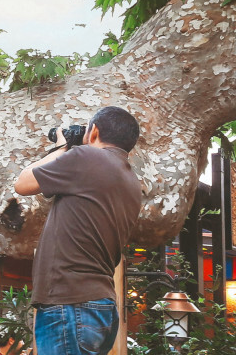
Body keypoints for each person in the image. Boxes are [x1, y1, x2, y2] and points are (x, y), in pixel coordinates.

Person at [14, 106, 142, 355]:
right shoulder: (131, 181)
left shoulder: (86, 157)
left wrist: (62, 146)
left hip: (69, 303)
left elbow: (23, 183)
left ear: (93, 131)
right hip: (100, 306)